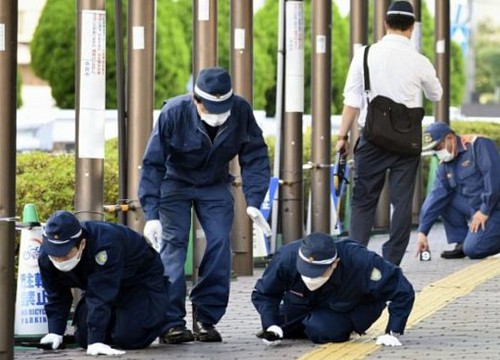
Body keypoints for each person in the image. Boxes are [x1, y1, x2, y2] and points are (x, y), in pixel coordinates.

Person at [138, 66, 271, 344]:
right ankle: (171, 322)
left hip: (214, 183)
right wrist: (151, 214)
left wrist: (255, 200)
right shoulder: (173, 113)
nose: (217, 114)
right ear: (196, 100)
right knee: (173, 244)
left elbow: (255, 154)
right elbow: (152, 164)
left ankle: (205, 317)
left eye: (223, 107)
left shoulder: (241, 110)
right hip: (174, 184)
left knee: (220, 242)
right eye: (211, 107)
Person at [335, 0, 442, 265]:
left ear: (385, 24)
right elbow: (436, 94)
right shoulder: (419, 61)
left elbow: (352, 100)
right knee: (402, 203)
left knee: (363, 201)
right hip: (406, 143)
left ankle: (354, 259)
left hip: (372, 139)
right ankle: (391, 261)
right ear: (411, 28)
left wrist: (341, 137)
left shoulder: (365, 54)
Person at [38, 211, 169, 356]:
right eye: (55, 254)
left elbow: (100, 295)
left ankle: (158, 314)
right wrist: (55, 332)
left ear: (82, 243)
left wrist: (96, 340)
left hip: (137, 281)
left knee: (129, 338)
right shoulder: (46, 255)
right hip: (99, 285)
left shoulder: (105, 245)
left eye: (65, 254)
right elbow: (56, 294)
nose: (59, 260)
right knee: (83, 338)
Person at [251, 232, 415, 346]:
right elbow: (264, 293)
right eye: (306, 271)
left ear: (334, 263)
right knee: (276, 325)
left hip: (351, 306)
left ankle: (320, 325)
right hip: (304, 303)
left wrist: (393, 331)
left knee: (319, 328)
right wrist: (270, 324)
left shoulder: (361, 261)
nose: (310, 279)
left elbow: (403, 291)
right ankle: (300, 324)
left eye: (317, 274)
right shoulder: (286, 258)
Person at [416, 122, 500, 259]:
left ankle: (478, 241)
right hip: (475, 209)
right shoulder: (445, 164)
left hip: (494, 208)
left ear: (450, 138)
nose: (438, 152)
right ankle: (461, 241)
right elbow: (436, 196)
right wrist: (422, 232)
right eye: (434, 149)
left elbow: (495, 179)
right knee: (443, 199)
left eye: (439, 146)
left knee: (473, 250)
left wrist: (485, 211)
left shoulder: (478, 145)